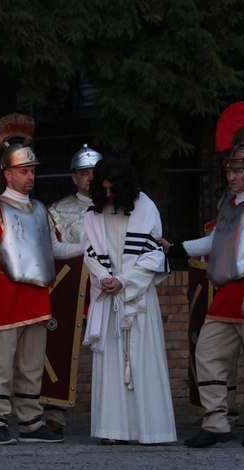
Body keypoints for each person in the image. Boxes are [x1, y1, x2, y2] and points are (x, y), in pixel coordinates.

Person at [166, 142, 244, 448]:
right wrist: (176, 248)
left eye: (237, 171)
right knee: (206, 353)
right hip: (227, 297)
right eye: (229, 171)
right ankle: (217, 423)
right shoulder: (229, 206)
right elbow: (214, 243)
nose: (231, 177)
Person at [0, 114, 84, 445]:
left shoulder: (40, 210)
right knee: (2, 363)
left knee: (33, 363)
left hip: (36, 296)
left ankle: (30, 420)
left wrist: (89, 247)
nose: (30, 176)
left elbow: (55, 249)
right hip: (3, 293)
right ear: (8, 174)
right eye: (24, 171)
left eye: (33, 170)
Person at [82, 157, 176, 445]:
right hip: (108, 296)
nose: (107, 195)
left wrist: (124, 280)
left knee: (142, 358)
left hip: (137, 298)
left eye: (112, 189)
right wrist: (104, 278)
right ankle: (113, 431)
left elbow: (155, 253)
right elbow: (89, 253)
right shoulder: (93, 213)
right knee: (110, 363)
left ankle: (151, 430)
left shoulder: (146, 207)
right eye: (103, 189)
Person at [42, 144, 102, 435]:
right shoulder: (57, 211)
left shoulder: (122, 207)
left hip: (109, 294)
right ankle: (55, 413)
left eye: (94, 173)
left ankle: (114, 418)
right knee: (61, 349)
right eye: (84, 173)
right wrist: (88, 250)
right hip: (71, 297)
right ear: (74, 177)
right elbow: (52, 251)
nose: (89, 178)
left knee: (114, 356)